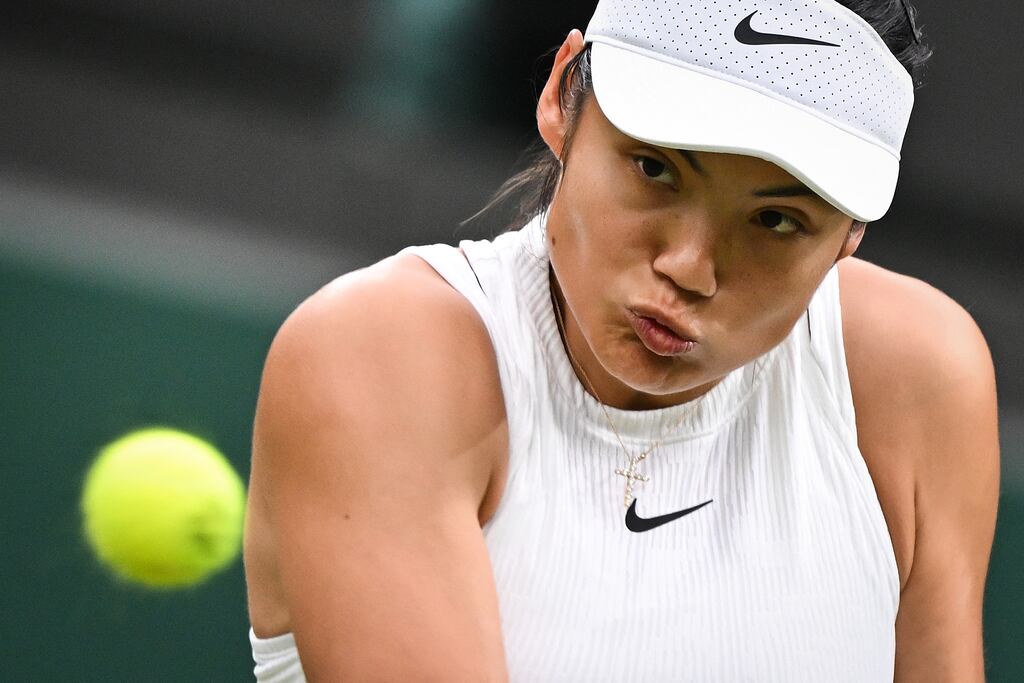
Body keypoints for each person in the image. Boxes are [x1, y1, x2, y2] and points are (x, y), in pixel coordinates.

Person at [243, 0, 1000, 680]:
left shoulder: (917, 375)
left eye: (775, 220)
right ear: (561, 96)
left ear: (849, 237)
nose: (689, 267)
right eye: (655, 168)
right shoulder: (383, 356)